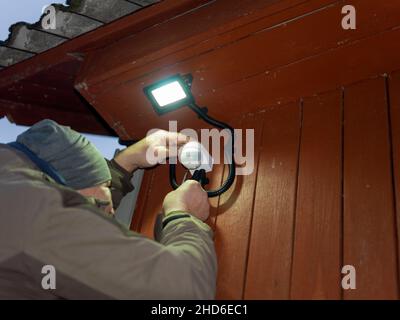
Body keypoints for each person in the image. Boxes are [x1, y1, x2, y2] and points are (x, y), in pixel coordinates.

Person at [0, 119, 216, 299]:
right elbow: (181, 290)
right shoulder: (34, 215)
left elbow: (81, 200)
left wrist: (125, 163)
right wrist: (183, 218)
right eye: (98, 208)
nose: (110, 216)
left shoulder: (14, 192)